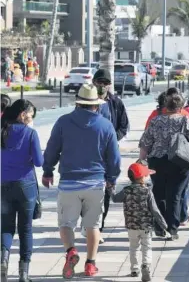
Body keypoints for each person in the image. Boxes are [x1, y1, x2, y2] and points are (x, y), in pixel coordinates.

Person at [42, 84, 121, 279]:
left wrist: (47, 171)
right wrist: (111, 178)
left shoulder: (63, 122)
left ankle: (71, 252)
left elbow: (52, 149)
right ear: (96, 105)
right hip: (95, 182)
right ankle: (90, 265)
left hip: (69, 182)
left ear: (78, 102)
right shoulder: (105, 125)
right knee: (93, 225)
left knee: (66, 223)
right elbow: (114, 158)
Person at [139, 93, 189, 240]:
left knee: (159, 193)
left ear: (165, 106)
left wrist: (141, 161)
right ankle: (173, 229)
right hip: (180, 162)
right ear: (180, 108)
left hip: (157, 161)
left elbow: (145, 143)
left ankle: (160, 227)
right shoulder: (184, 120)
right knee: (175, 195)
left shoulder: (155, 121)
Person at [1, 99, 43, 282]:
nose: (31, 118)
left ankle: (3, 257)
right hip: (26, 186)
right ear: (22, 113)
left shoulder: (2, 131)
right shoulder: (31, 133)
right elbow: (39, 162)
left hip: (3, 184)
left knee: (6, 226)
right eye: (30, 115)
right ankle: (23, 274)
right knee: (25, 229)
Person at [109, 163, 168, 282]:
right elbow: (155, 210)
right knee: (147, 247)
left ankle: (134, 269)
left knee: (133, 247)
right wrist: (163, 224)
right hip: (146, 225)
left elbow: (115, 199)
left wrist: (111, 189)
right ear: (141, 177)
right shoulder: (147, 191)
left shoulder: (126, 190)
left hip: (131, 225)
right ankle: (146, 265)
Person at [92, 69, 129, 234]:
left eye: (105, 83)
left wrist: (113, 139)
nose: (102, 86)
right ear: (94, 83)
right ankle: (90, 223)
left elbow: (123, 125)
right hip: (89, 152)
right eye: (99, 82)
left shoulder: (115, 102)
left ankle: (99, 225)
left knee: (107, 188)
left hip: (109, 152)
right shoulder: (86, 100)